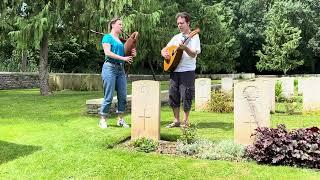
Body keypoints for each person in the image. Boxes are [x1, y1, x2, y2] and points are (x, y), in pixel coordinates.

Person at [161, 12, 201, 128]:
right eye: (178, 23)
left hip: (187, 71)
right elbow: (164, 49)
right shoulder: (176, 37)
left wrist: (185, 48)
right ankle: (176, 120)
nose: (179, 25)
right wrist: (165, 54)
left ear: (188, 23)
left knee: (186, 95)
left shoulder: (194, 37)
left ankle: (185, 121)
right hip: (174, 70)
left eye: (182, 23)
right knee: (173, 95)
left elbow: (194, 54)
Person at [99, 17, 137, 129]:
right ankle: (102, 119)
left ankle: (120, 119)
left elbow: (126, 53)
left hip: (120, 70)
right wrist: (123, 58)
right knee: (108, 96)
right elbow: (108, 53)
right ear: (113, 25)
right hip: (109, 68)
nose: (122, 26)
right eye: (120, 24)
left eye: (121, 25)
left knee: (123, 96)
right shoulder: (107, 37)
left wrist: (132, 53)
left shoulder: (120, 41)